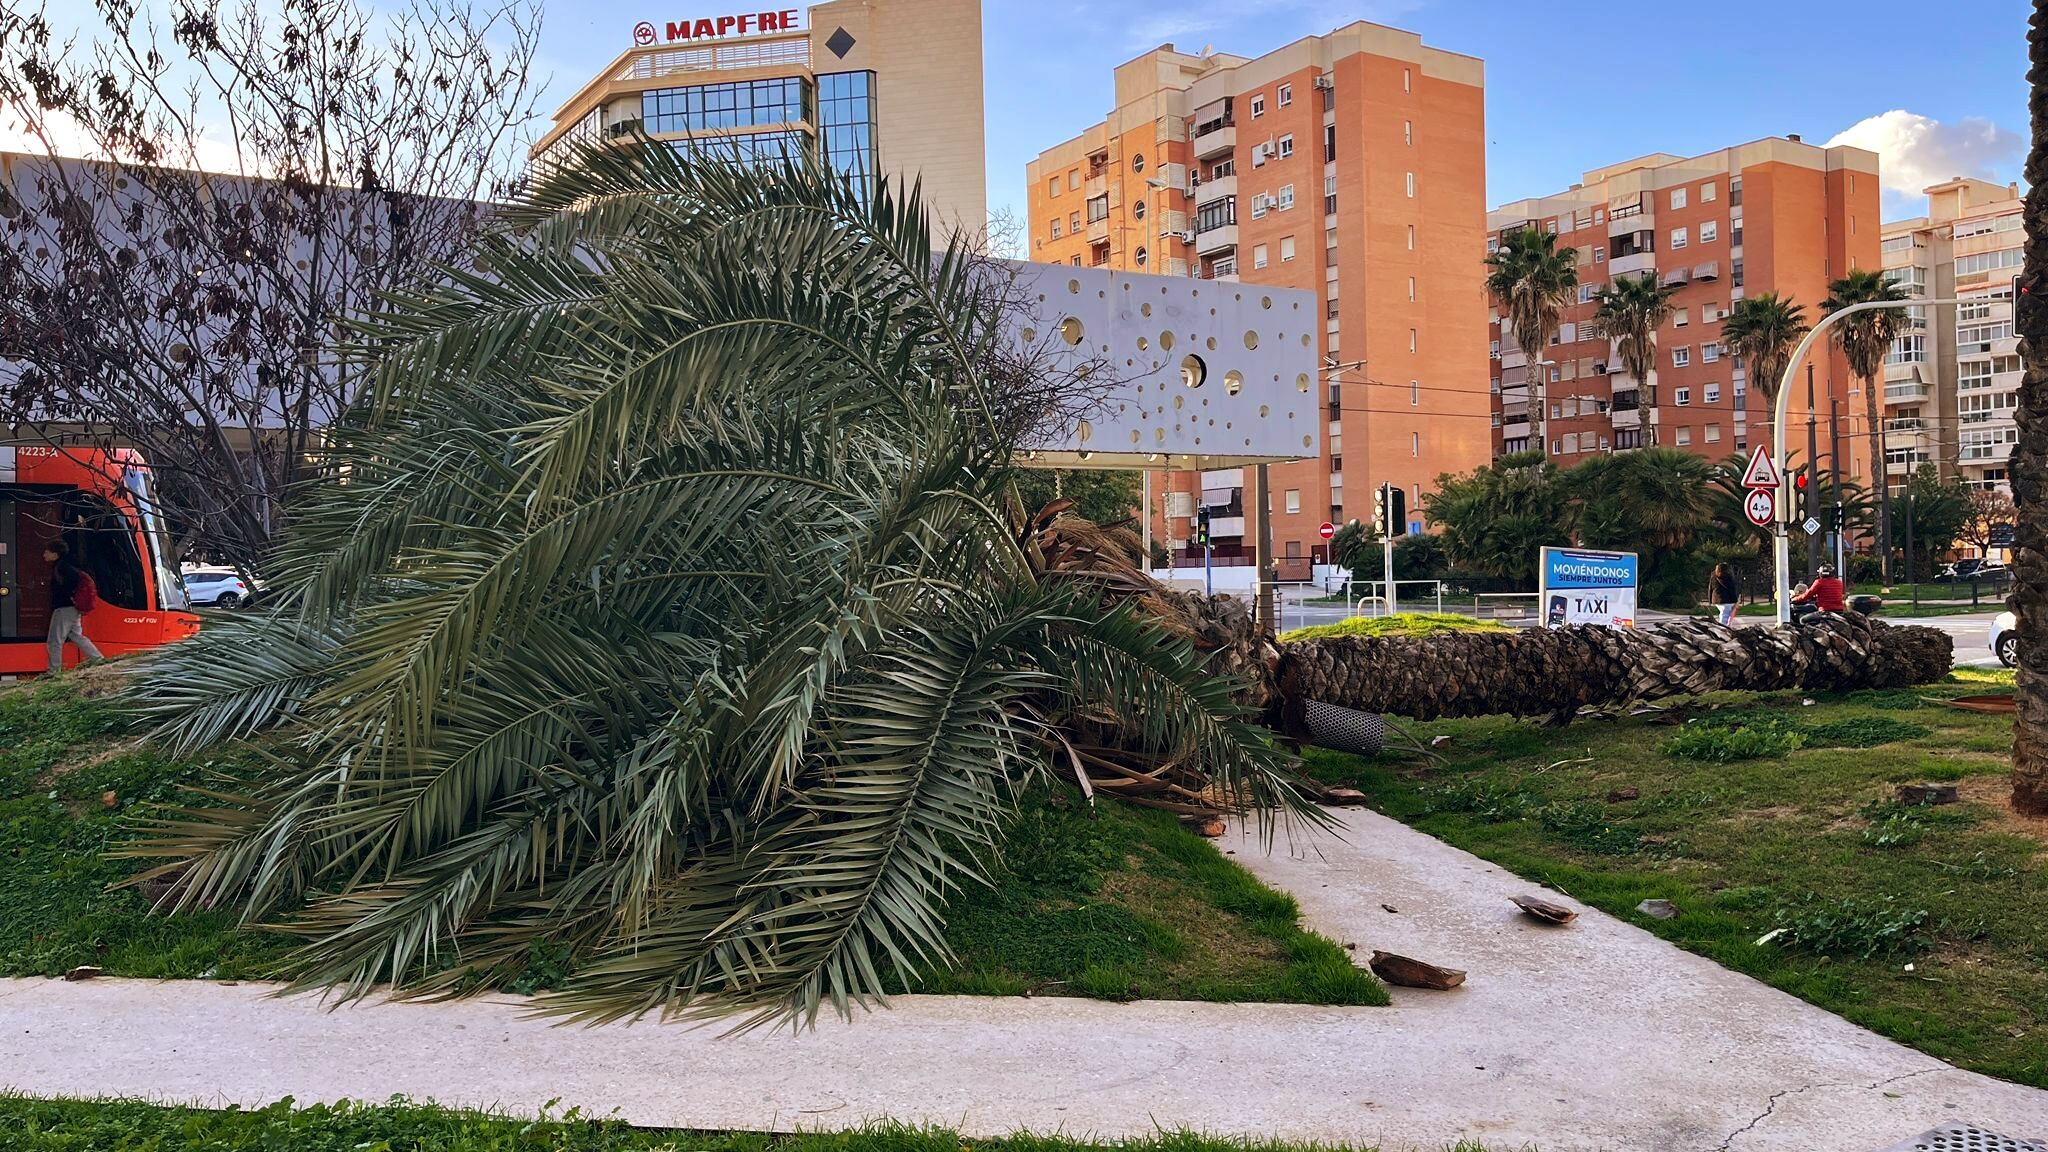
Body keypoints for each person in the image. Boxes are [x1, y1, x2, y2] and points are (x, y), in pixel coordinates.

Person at [44, 540, 104, 673]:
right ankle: (98, 659)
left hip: (64, 608)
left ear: (55, 554)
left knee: (54, 640)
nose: (44, 555)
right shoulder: (69, 564)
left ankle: (53, 671)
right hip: (73, 608)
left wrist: (69, 597)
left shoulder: (61, 567)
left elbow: (70, 583)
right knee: (76, 636)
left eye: (47, 552)